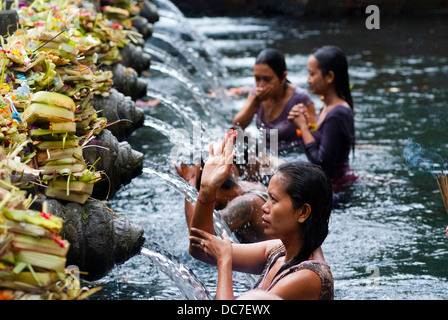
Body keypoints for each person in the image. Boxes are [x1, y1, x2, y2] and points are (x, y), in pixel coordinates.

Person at [188, 130, 334, 300]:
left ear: (303, 212)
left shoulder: (308, 277)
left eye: (274, 199)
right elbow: (200, 248)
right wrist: (207, 190)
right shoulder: (279, 251)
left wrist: (224, 262)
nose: (264, 206)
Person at [287, 45, 356, 186]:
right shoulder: (326, 106)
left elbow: (321, 165)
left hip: (337, 190)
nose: (308, 80)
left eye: (312, 74)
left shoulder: (337, 114)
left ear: (329, 76)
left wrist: (302, 128)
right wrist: (307, 124)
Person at [232, 48, 315, 152]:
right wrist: (255, 103)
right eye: (257, 79)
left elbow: (314, 136)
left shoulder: (300, 98)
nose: (261, 85)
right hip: (264, 154)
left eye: (267, 80)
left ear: (283, 77)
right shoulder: (255, 94)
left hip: (292, 156)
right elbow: (237, 125)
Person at [175, 160, 269, 243]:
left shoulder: (246, 203)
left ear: (213, 188)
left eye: (200, 198)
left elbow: (198, 237)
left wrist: (190, 182)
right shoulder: (247, 186)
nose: (201, 205)